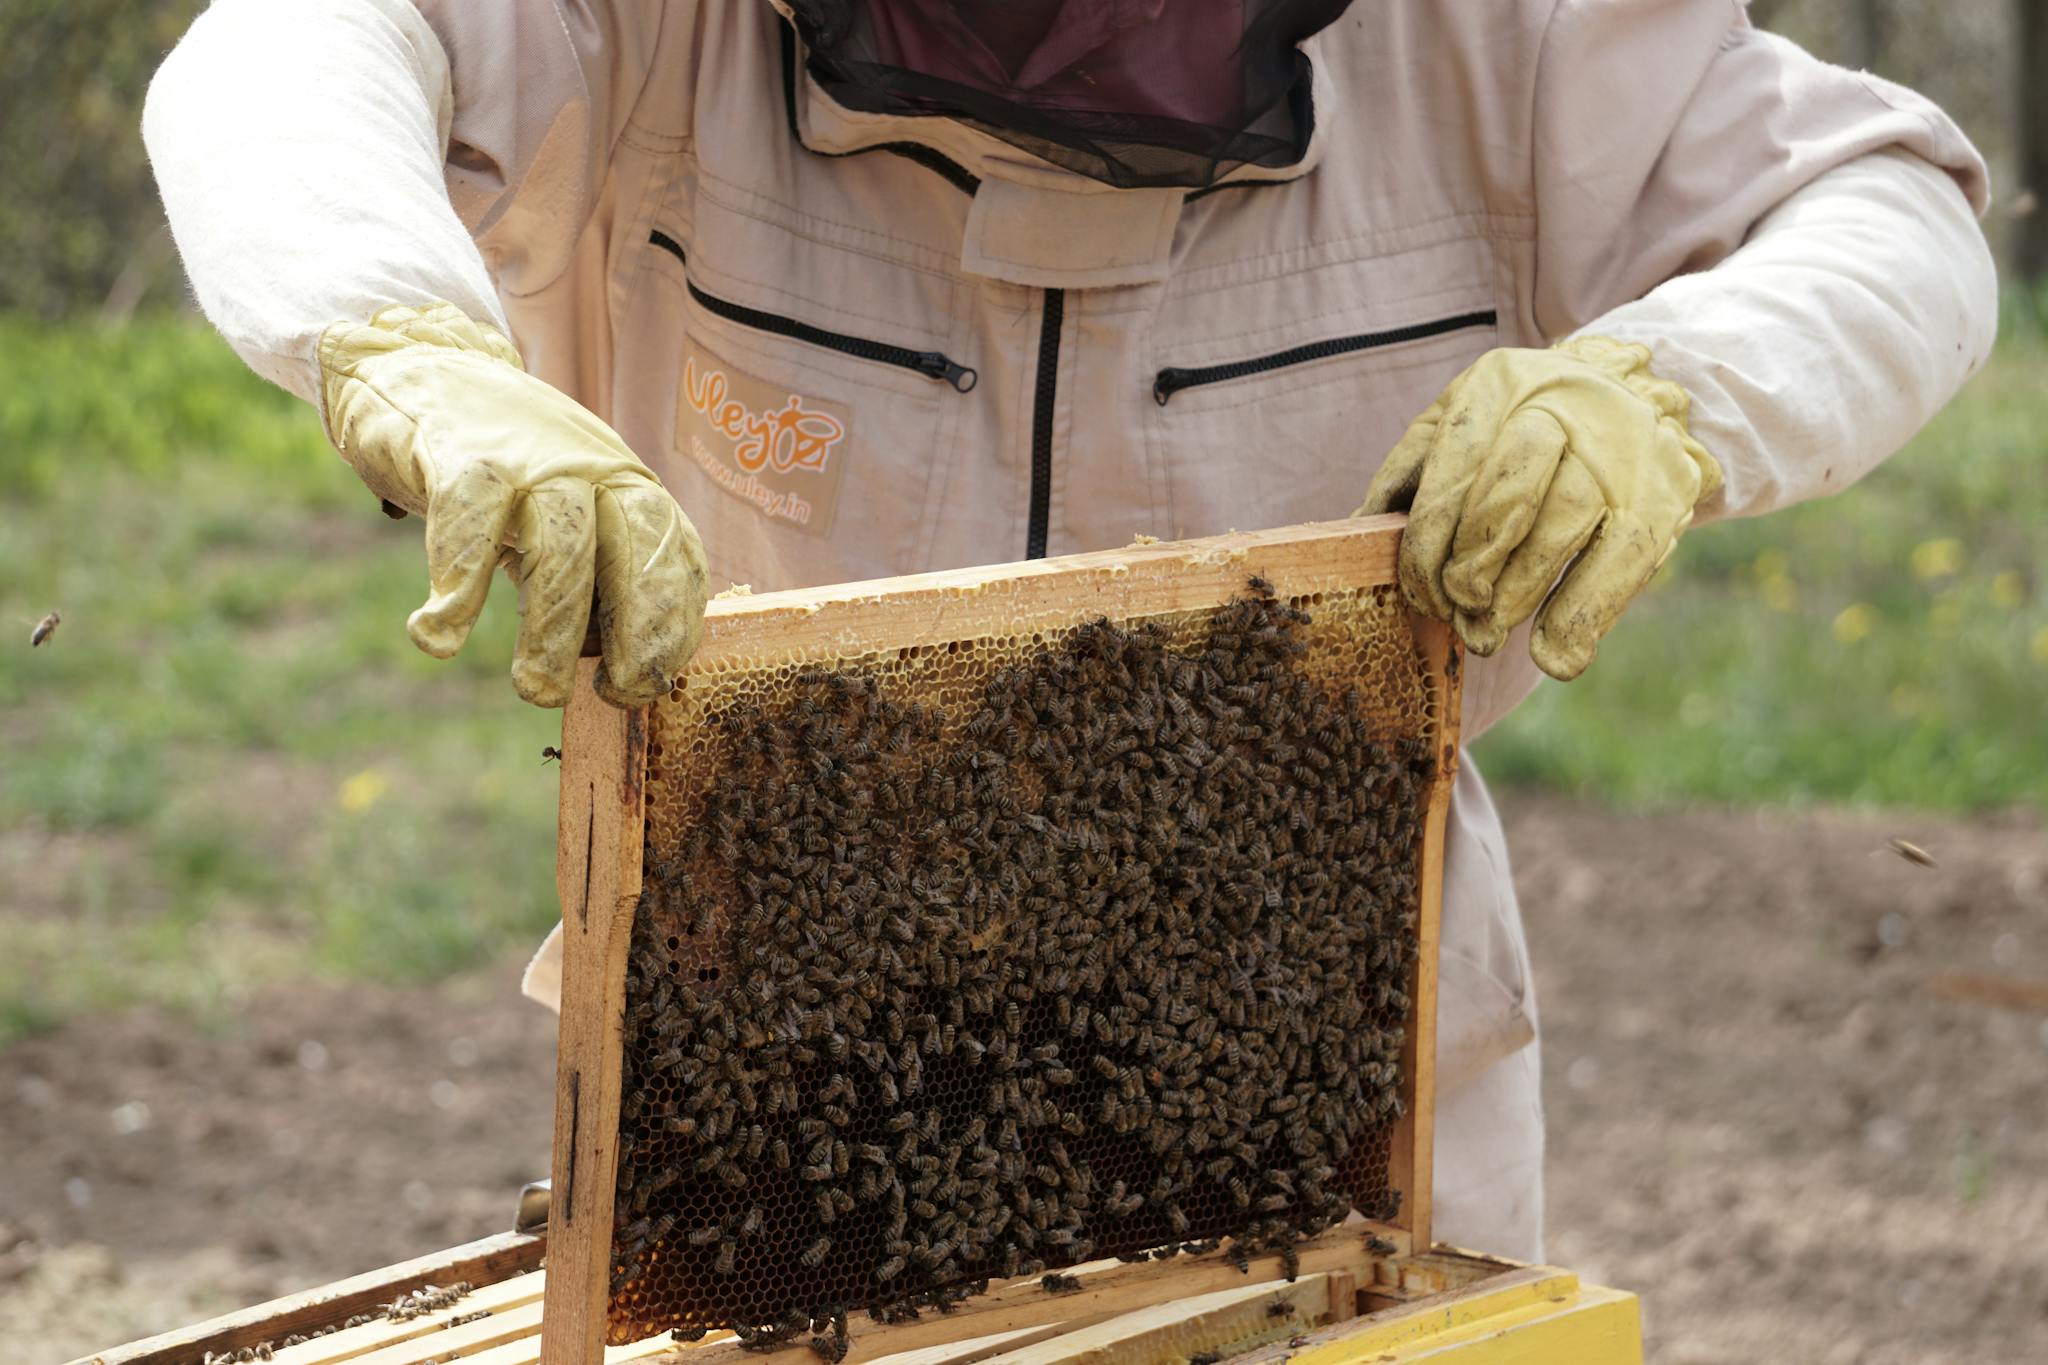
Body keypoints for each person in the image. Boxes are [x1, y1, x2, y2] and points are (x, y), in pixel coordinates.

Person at [144, 0, 1996, 1261]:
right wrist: (398, 332)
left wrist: (1670, 390)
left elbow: (1887, 211)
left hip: (1330, 1063)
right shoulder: (658, 31)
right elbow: (292, 49)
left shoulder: (1496, 39)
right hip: (777, 1068)